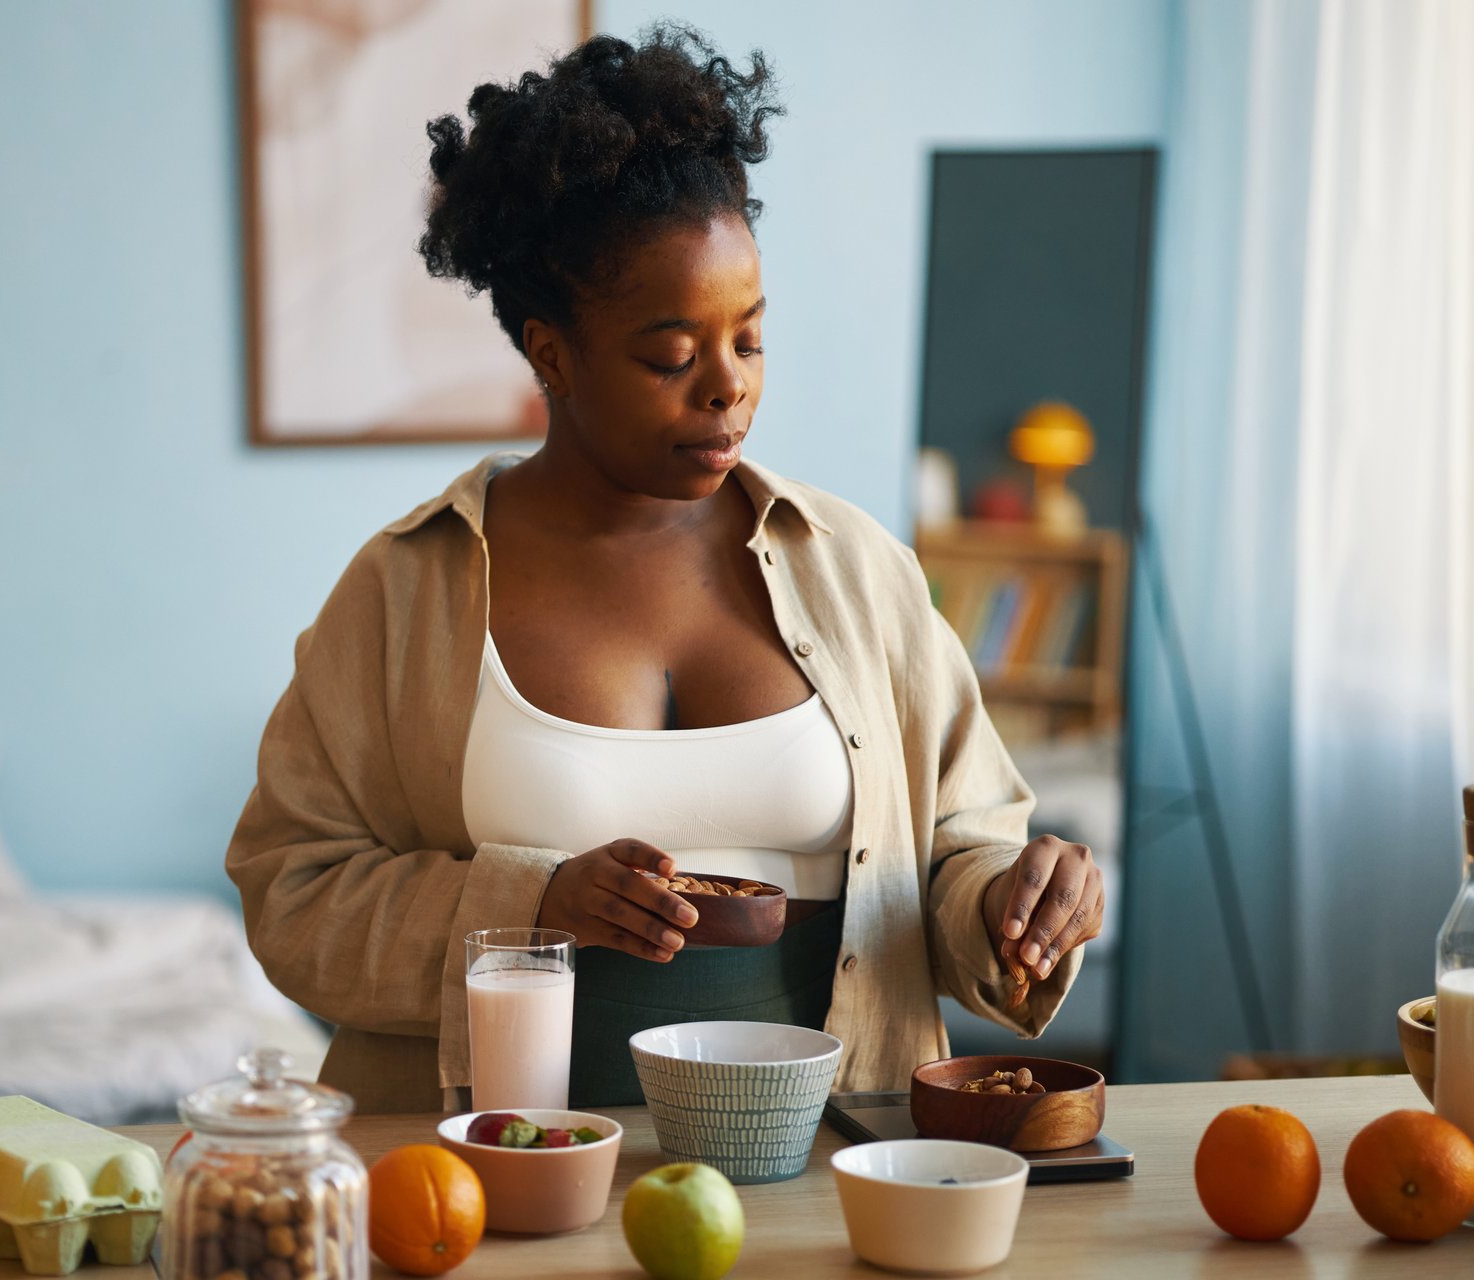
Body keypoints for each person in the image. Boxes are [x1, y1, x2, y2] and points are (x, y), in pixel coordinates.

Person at [226, 26, 1103, 1114]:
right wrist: (535, 898)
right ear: (552, 352)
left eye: (750, 338)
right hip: (492, 1188)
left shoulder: (859, 570)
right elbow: (292, 890)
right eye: (671, 356)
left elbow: (960, 852)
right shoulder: (408, 590)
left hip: (829, 1176)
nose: (726, 387)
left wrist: (1019, 900)